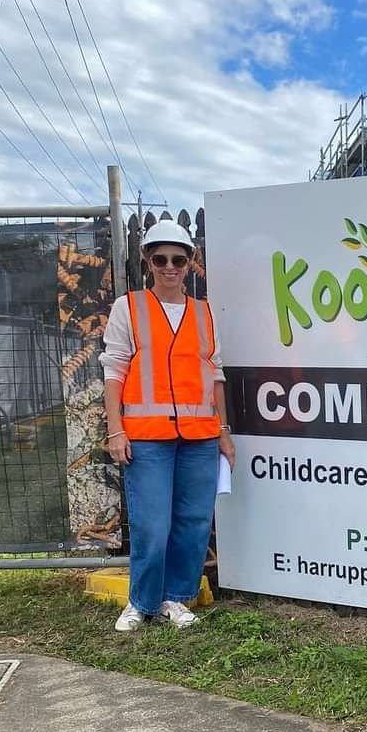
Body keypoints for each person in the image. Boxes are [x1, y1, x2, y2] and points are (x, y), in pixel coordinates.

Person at [101, 219, 235, 632]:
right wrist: (115, 428)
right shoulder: (130, 307)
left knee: (194, 521)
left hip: (198, 435)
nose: (169, 266)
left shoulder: (205, 313)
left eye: (178, 258)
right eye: (160, 259)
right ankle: (142, 602)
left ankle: (176, 598)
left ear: (191, 262)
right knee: (151, 525)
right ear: (148, 261)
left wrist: (224, 432)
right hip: (147, 438)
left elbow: (215, 374)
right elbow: (114, 371)